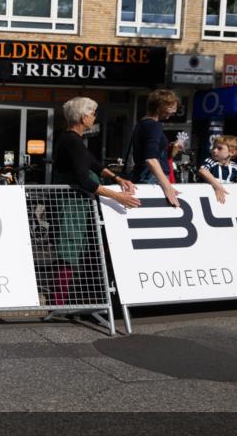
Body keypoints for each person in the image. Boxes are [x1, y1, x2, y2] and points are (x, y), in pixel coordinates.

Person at [52, 97, 140, 305]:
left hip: (76, 203)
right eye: (92, 114)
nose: (94, 117)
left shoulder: (73, 139)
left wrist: (116, 178)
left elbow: (93, 163)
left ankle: (74, 296)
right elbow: (85, 179)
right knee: (69, 251)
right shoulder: (72, 140)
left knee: (80, 249)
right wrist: (119, 196)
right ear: (83, 117)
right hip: (71, 205)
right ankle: (59, 302)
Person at [130, 88, 181, 207]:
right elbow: (151, 159)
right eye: (171, 107)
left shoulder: (142, 123)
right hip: (152, 179)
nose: (174, 111)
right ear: (159, 108)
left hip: (144, 176)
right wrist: (167, 186)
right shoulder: (155, 125)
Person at [198, 135, 237, 204]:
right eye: (213, 147)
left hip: (226, 199)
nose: (214, 150)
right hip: (207, 199)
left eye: (219, 148)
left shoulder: (235, 167)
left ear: (232, 152)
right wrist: (217, 186)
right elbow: (202, 171)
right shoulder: (210, 161)